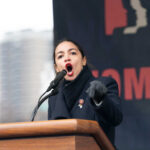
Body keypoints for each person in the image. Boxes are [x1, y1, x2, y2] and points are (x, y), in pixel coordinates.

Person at [48, 39, 123, 146]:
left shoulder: (103, 85)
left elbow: (116, 118)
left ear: (83, 61)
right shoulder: (53, 97)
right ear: (57, 68)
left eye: (72, 53)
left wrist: (100, 99)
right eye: (60, 56)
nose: (67, 58)